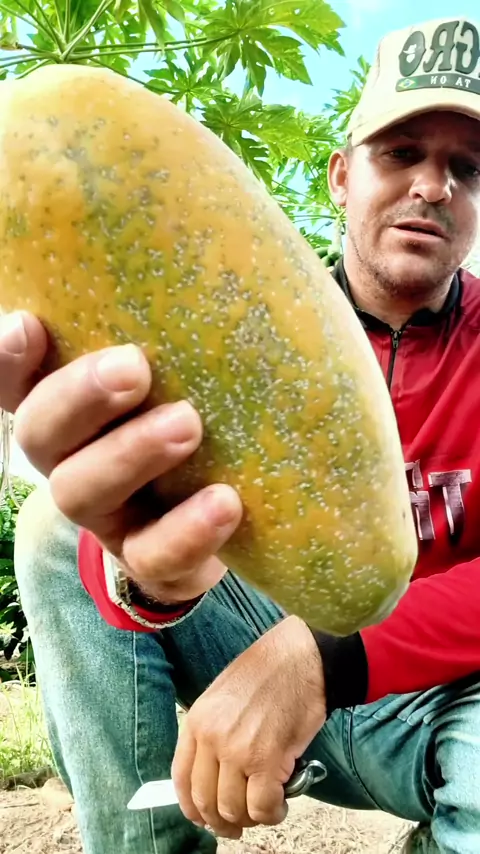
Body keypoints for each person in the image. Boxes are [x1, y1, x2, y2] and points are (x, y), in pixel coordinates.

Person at [3, 13, 480, 854]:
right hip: (255, 666)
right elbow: (152, 536)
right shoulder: (228, 326)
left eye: (466, 168)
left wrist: (325, 658)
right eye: (402, 153)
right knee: (56, 528)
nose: (434, 187)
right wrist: (154, 582)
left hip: (442, 708)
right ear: (341, 176)